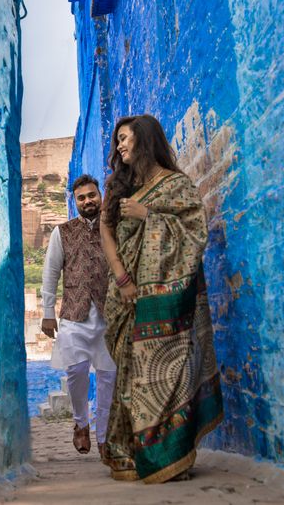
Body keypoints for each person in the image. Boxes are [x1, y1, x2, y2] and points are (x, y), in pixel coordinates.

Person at [99, 114, 223, 483]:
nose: (119, 145)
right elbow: (107, 234)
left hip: (169, 298)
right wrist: (122, 279)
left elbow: (194, 231)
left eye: (125, 138)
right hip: (129, 294)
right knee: (134, 373)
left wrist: (149, 214)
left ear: (146, 139)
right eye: (117, 140)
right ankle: (132, 454)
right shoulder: (117, 186)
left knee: (173, 373)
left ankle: (172, 456)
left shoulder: (176, 185)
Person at [40, 174, 117, 457]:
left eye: (91, 195)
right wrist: (48, 312)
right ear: (75, 202)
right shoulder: (63, 232)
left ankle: (104, 435)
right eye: (81, 197)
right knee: (76, 372)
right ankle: (81, 423)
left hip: (109, 315)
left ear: (100, 196)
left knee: (109, 376)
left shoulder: (114, 227)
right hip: (74, 314)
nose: (87, 201)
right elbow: (50, 273)